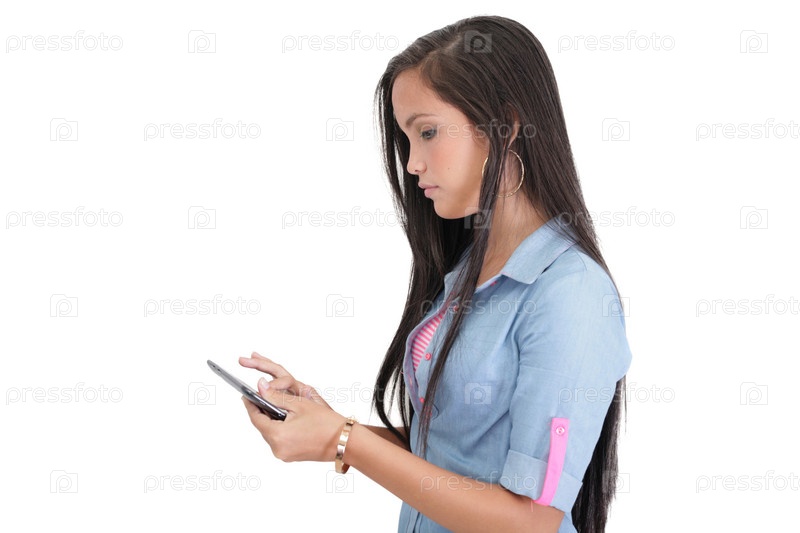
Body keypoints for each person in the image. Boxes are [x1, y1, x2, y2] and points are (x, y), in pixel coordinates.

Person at [239, 15, 633, 533]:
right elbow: (452, 456)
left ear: (505, 125)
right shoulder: (468, 270)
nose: (411, 164)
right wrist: (330, 424)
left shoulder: (571, 292)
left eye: (427, 133)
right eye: (407, 139)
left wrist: (344, 440)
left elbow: (531, 520)